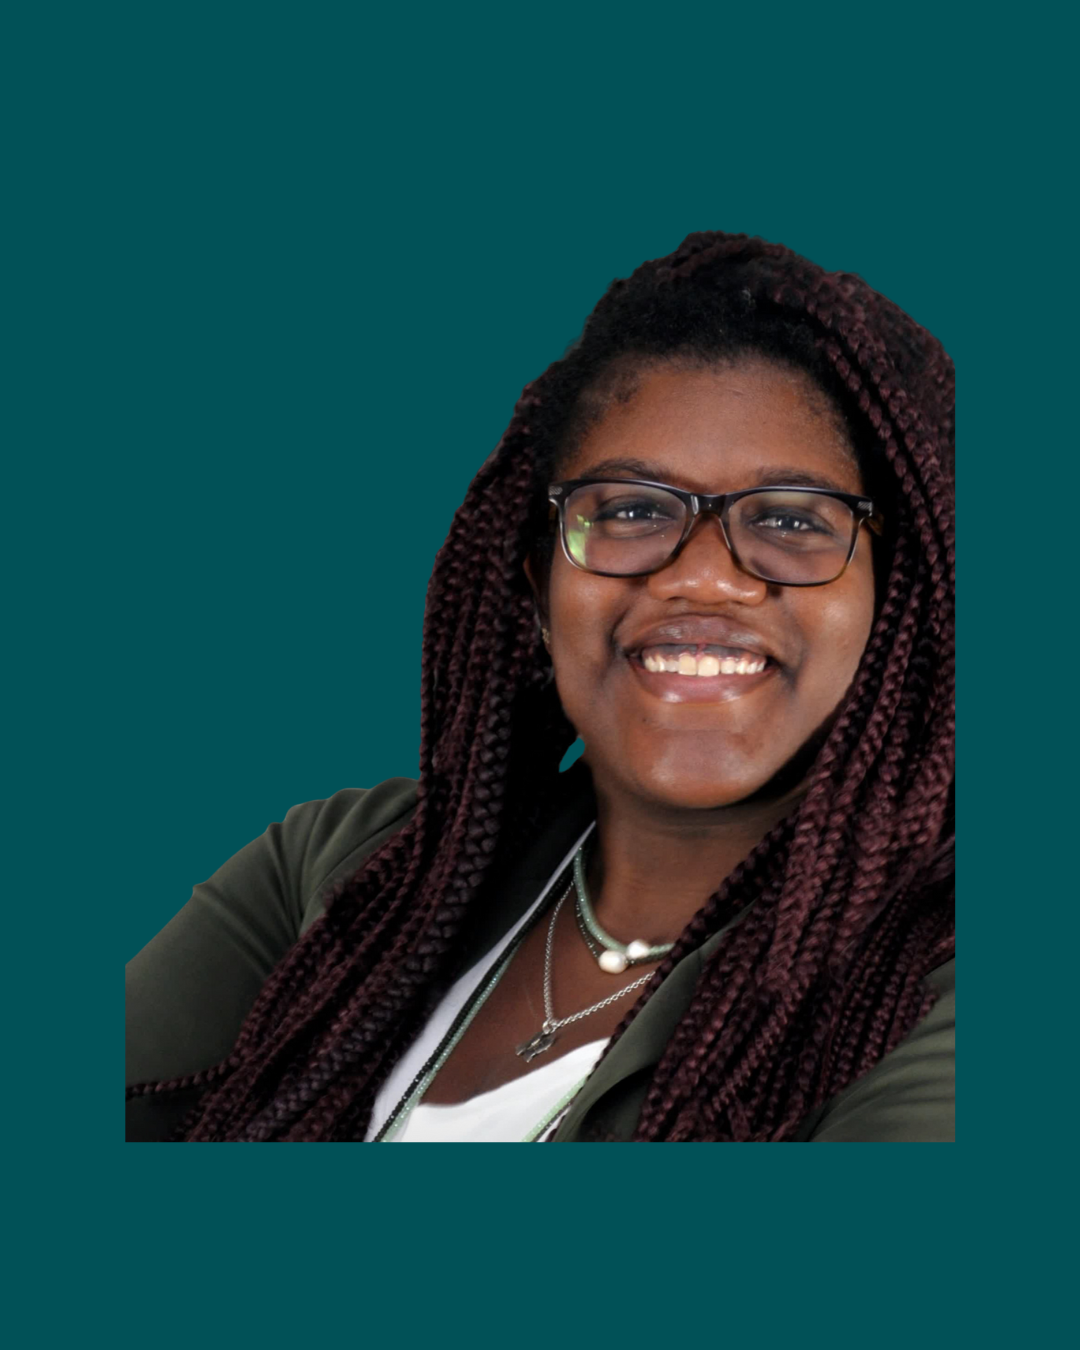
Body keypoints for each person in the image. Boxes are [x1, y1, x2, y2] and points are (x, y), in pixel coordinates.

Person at [126, 230, 954, 1143]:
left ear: (895, 599)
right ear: (537, 586)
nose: (705, 579)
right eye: (634, 510)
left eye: (794, 520)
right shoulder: (348, 869)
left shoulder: (936, 965)